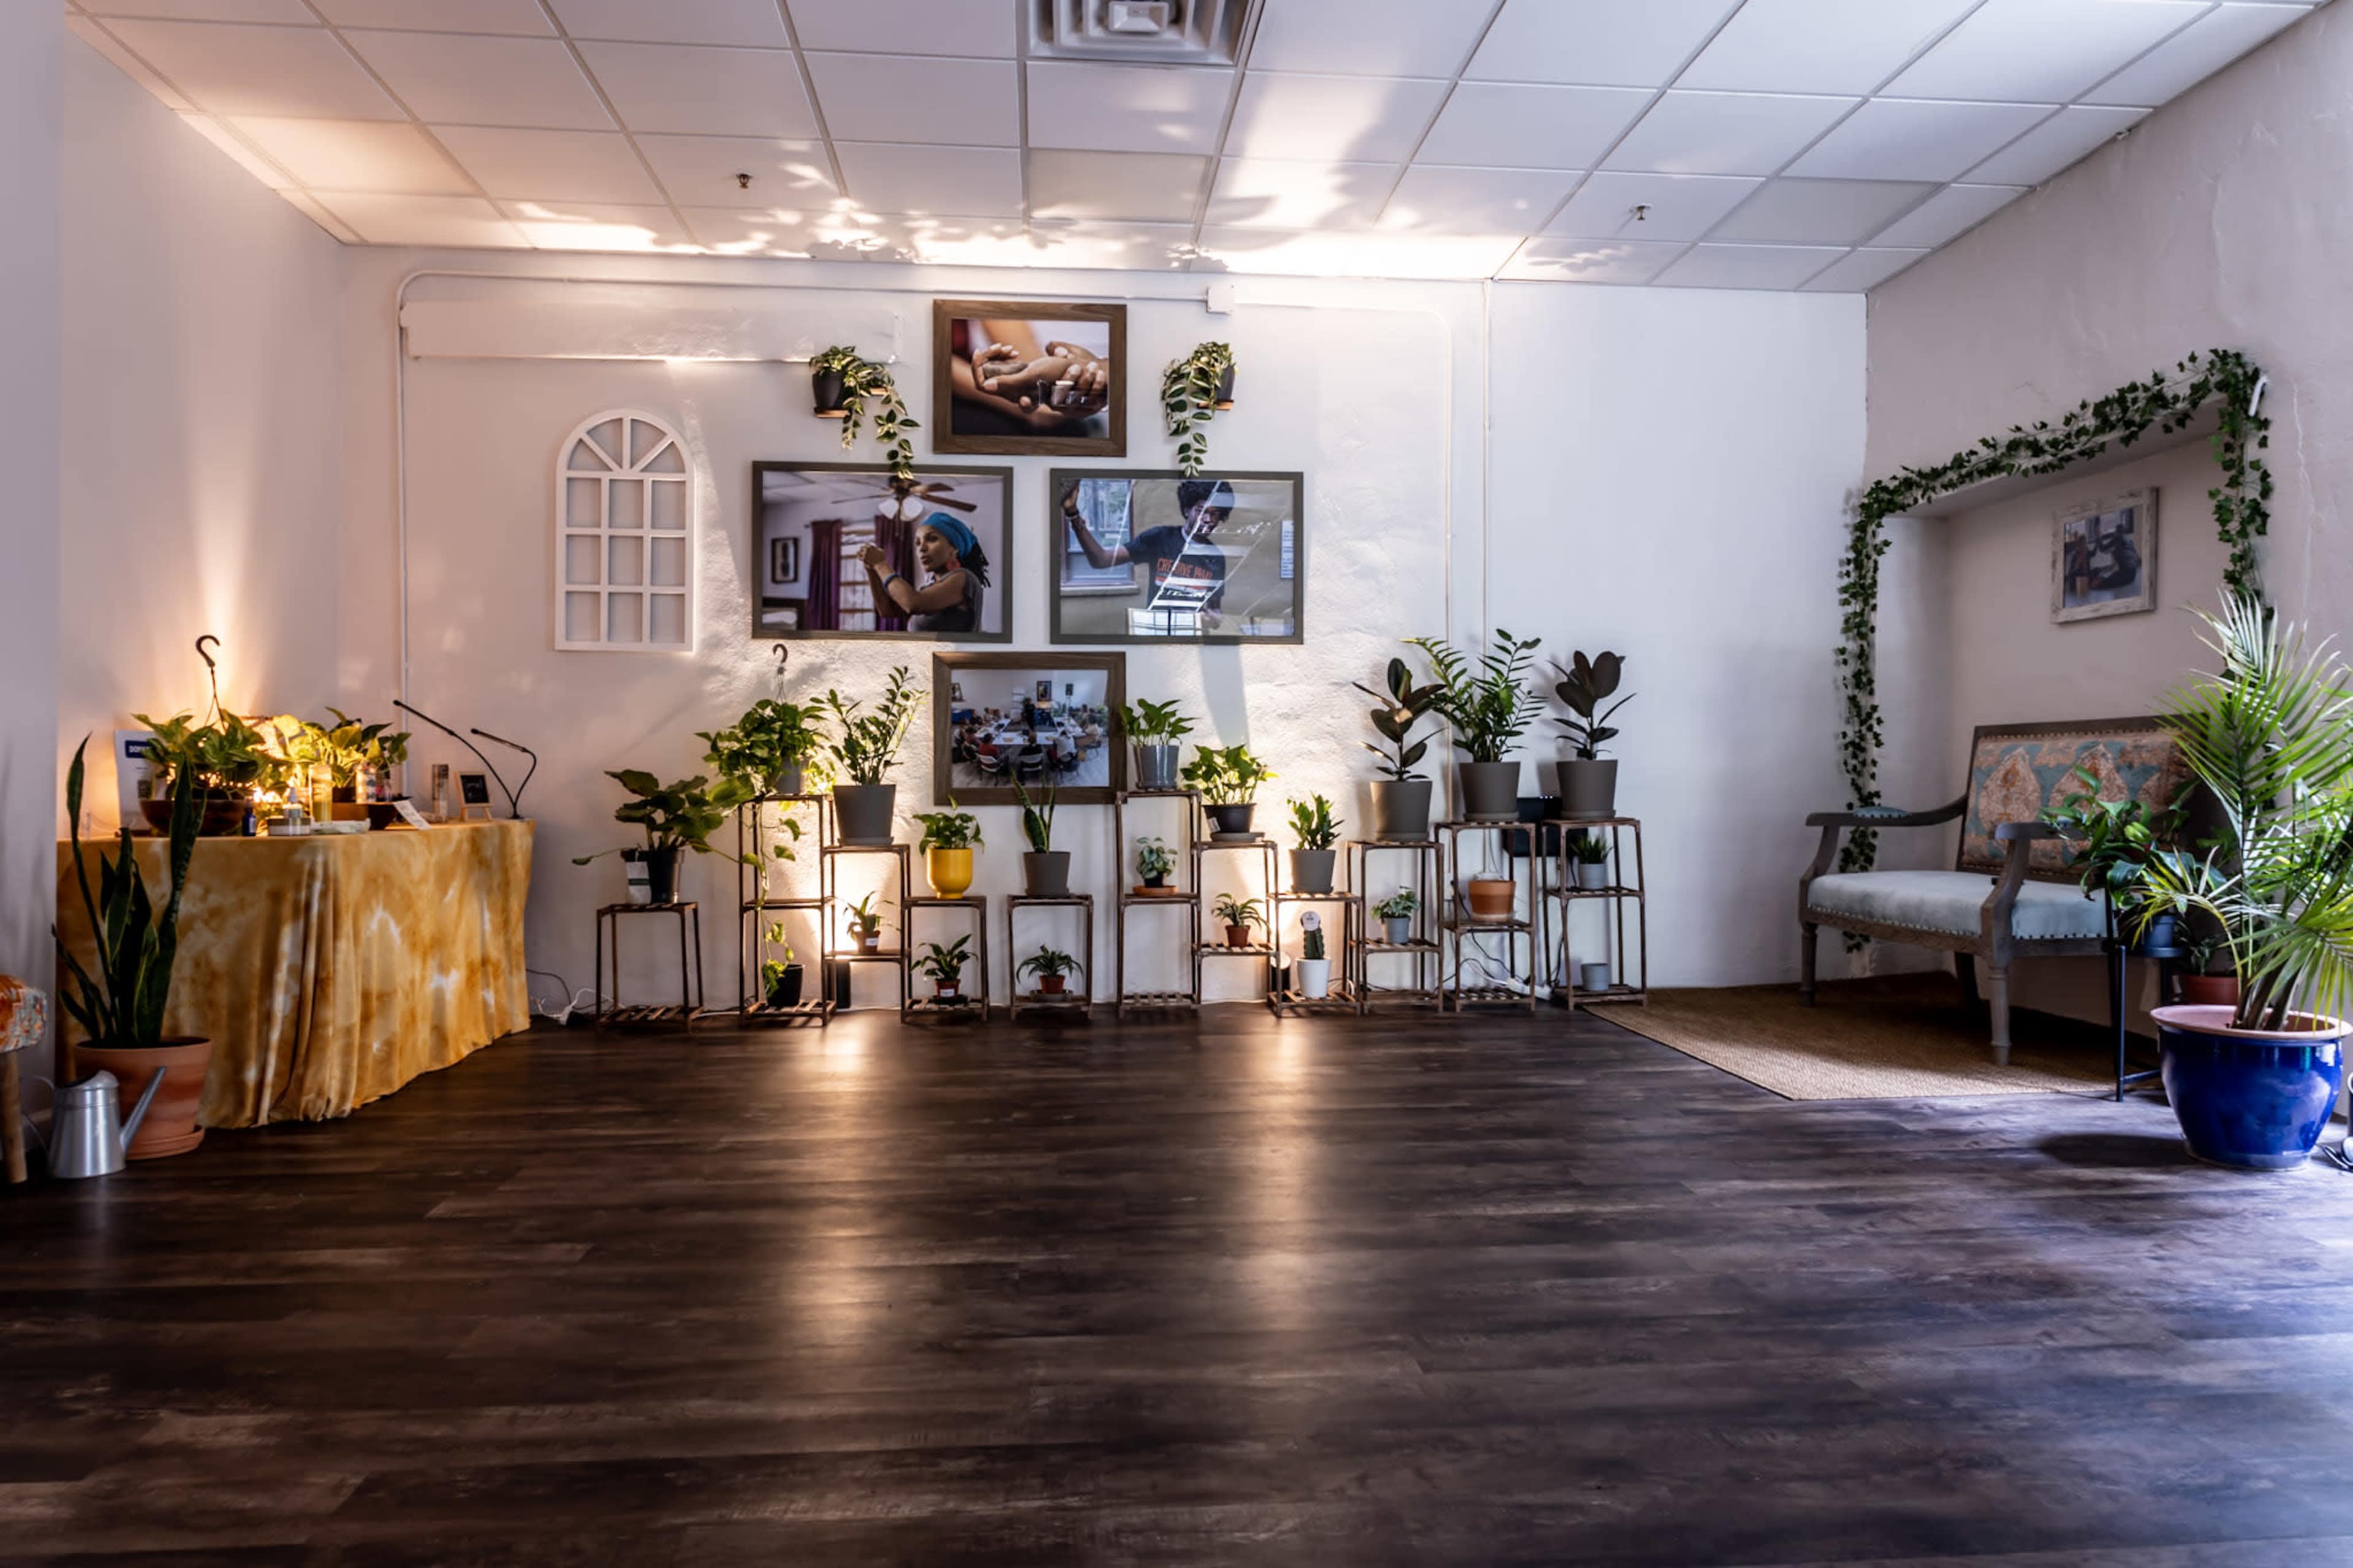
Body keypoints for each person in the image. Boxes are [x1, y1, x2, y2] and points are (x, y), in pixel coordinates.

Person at [1063, 479, 1235, 628]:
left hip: (1192, 640)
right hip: (1156, 635)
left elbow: (1215, 609)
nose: (1208, 519)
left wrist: (1213, 619)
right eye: (1201, 511)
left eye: (1215, 514)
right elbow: (1101, 560)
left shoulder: (1216, 557)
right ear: (1188, 510)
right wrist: (1073, 514)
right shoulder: (1159, 538)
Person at [858, 512, 990, 634]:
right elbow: (888, 610)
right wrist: (871, 568)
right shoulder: (930, 587)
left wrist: (881, 564)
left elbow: (913, 604)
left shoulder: (963, 577)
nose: (922, 548)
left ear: (954, 548)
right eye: (918, 543)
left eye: (932, 539)